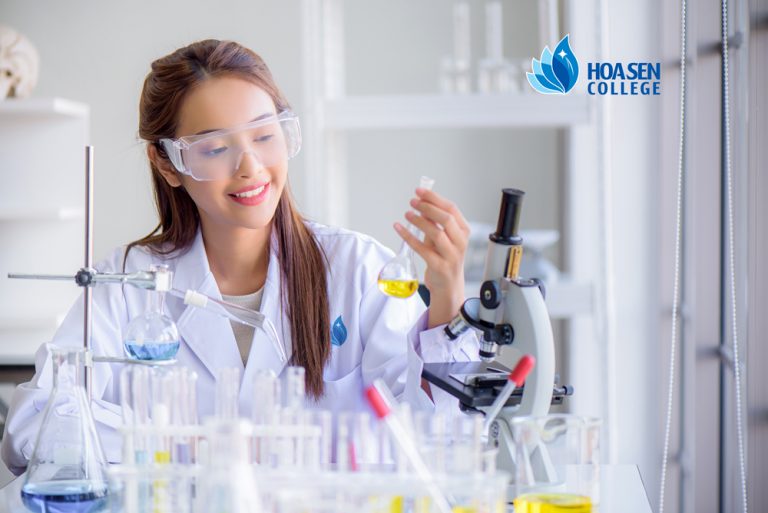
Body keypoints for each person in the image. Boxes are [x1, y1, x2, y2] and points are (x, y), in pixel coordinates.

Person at [1, 39, 478, 475]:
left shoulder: (358, 269)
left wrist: (448, 297)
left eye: (265, 136)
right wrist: (201, 445)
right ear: (168, 164)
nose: (250, 166)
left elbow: (438, 440)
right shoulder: (127, 282)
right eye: (214, 147)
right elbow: (31, 426)